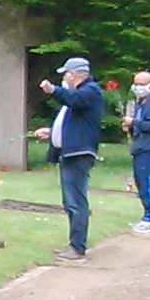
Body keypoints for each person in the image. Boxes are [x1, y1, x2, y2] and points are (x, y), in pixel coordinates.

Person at [30, 56, 104, 260]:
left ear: (75, 74)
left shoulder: (90, 91)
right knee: (69, 200)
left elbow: (74, 101)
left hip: (79, 153)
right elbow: (74, 122)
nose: (65, 78)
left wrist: (53, 90)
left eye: (66, 74)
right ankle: (73, 244)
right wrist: (52, 131)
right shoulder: (80, 94)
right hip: (70, 152)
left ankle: (77, 247)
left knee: (75, 201)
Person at [124, 70, 150, 236]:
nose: (138, 88)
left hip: (148, 149)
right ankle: (145, 215)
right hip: (140, 147)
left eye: (142, 85)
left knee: (148, 184)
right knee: (141, 183)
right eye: (136, 84)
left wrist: (134, 122)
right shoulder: (141, 102)